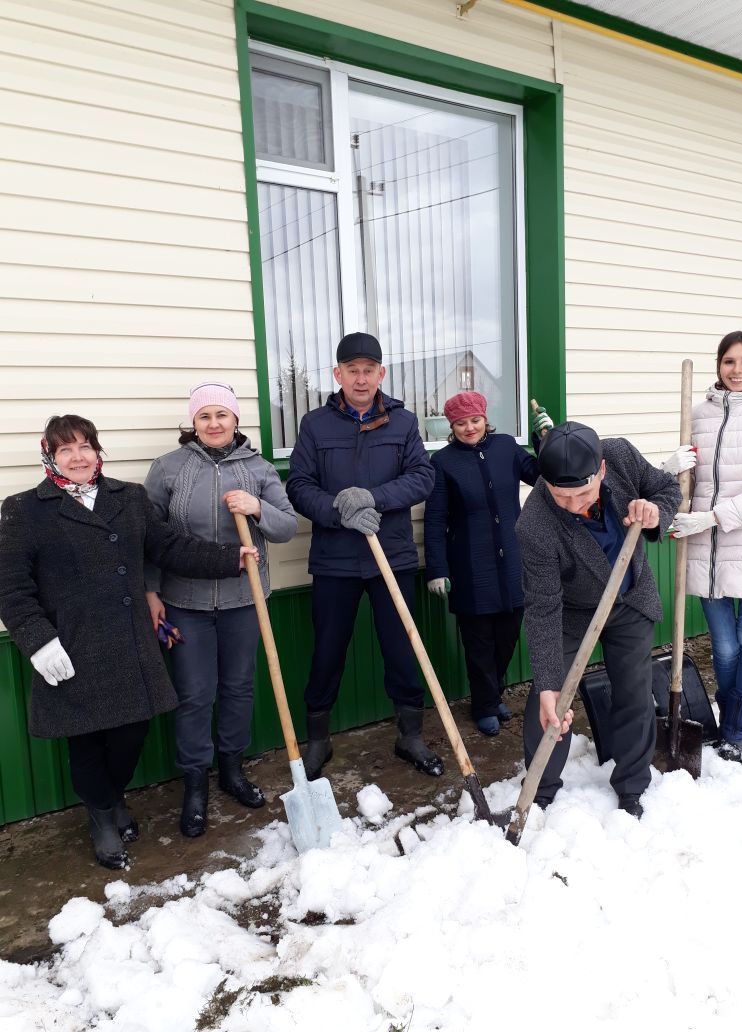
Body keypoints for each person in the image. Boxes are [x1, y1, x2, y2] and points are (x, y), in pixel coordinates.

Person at [0, 415, 259, 869]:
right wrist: (38, 642)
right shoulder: (24, 510)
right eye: (66, 450)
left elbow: (170, 547)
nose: (78, 457)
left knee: (130, 734)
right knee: (85, 741)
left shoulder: (129, 497)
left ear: (98, 451)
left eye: (85, 446)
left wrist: (230, 558)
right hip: (70, 645)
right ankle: (103, 816)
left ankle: (111, 795)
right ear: (50, 455)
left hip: (129, 642)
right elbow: (11, 586)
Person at [286, 331, 443, 780]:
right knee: (327, 651)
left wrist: (370, 498)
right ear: (337, 374)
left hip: (389, 558)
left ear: (381, 373)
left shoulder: (403, 422)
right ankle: (318, 740)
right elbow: (299, 486)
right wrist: (340, 512)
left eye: (368, 369)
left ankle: (409, 735)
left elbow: (421, 478)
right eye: (351, 370)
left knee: (401, 647)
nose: (360, 378)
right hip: (335, 560)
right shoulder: (315, 425)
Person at [144, 382, 297, 837]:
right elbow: (149, 538)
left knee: (238, 687)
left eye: (222, 415)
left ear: (235, 421)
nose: (214, 424)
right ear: (193, 424)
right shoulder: (168, 468)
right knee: (194, 694)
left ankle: (232, 770)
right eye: (204, 416)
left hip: (243, 600)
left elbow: (288, 526)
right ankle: (195, 783)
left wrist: (257, 509)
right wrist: (151, 593)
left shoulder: (259, 468)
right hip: (185, 601)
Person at [517, 421, 681, 818]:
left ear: (602, 470)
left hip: (628, 600)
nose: (574, 505)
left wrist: (655, 511)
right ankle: (539, 790)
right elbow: (542, 608)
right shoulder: (534, 524)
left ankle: (631, 785)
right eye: (562, 496)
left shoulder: (621, 456)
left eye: (584, 494)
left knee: (633, 691)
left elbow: (667, 489)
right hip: (572, 613)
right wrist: (548, 683)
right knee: (550, 700)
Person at [669, 331, 742, 763]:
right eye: (728, 361)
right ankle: (727, 718)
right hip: (704, 547)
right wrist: (669, 466)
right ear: (718, 365)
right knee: (724, 646)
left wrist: (712, 516)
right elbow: (684, 481)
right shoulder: (697, 413)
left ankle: (736, 728)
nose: (736, 370)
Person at [423, 391, 551, 735]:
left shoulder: (507, 447)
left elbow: (541, 475)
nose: (469, 428)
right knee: (479, 641)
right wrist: (437, 569)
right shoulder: (444, 463)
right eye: (461, 423)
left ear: (484, 418)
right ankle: (484, 704)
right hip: (469, 565)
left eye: (475, 420)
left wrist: (546, 441)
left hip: (513, 559)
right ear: (451, 426)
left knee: (507, 635)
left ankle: (493, 696)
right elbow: (435, 519)